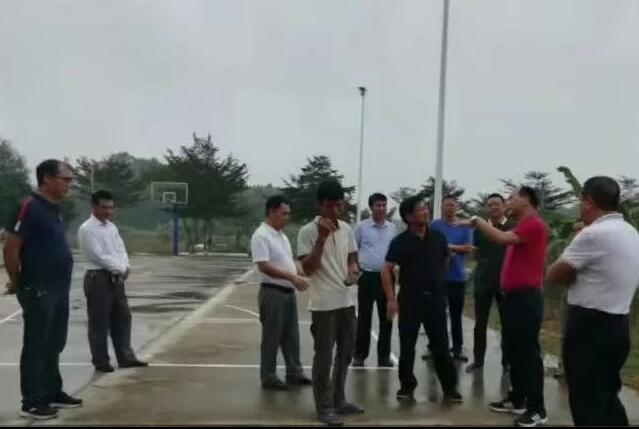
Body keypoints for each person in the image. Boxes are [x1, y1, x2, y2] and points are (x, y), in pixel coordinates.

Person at [547, 177, 639, 426]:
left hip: (589, 326)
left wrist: (577, 243)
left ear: (588, 201)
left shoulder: (593, 234)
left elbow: (553, 275)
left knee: (586, 401)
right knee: (607, 396)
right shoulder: (630, 232)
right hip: (619, 324)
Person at [3, 160, 83, 420]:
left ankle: (51, 391)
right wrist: (15, 279)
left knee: (54, 342)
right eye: (65, 179)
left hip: (58, 288)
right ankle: (32, 401)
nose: (69, 184)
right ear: (47, 178)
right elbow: (11, 245)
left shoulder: (53, 209)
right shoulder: (29, 206)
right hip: (38, 288)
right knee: (37, 344)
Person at [465, 186, 548, 427]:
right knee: (513, 350)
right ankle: (518, 398)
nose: (508, 202)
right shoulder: (522, 226)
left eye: (512, 198)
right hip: (513, 297)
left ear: (527, 199)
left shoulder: (533, 224)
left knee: (527, 353)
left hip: (526, 297)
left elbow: (500, 238)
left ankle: (537, 409)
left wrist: (477, 220)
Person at [383, 196, 461, 404]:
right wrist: (391, 299)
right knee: (407, 346)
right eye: (420, 209)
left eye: (426, 208)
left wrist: (434, 279)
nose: (426, 212)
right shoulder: (400, 242)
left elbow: (446, 260)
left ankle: (450, 388)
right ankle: (407, 387)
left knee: (441, 346)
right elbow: (387, 269)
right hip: (410, 300)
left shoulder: (438, 237)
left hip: (435, 300)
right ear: (409, 216)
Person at [297, 180, 362, 427]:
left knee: (345, 354)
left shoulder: (346, 228)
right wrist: (322, 239)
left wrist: (353, 270)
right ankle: (324, 407)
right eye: (330, 205)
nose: (335, 210)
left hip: (347, 300)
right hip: (324, 304)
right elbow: (308, 269)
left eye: (339, 205)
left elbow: (352, 257)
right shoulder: (307, 231)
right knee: (324, 357)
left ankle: (338, 399)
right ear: (319, 205)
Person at [77, 190, 148, 373]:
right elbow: (97, 256)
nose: (107, 211)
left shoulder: (111, 228)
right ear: (94, 207)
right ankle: (101, 361)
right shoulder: (87, 229)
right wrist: (120, 268)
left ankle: (125, 357)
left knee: (123, 317)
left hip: (116, 278)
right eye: (103, 207)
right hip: (98, 278)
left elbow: (120, 249)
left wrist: (125, 266)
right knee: (99, 321)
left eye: (110, 208)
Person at [250, 195, 312, 390]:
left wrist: (306, 273)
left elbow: (289, 263)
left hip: (287, 292)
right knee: (272, 337)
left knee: (291, 336)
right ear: (272, 212)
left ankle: (294, 372)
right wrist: (293, 277)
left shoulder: (282, 236)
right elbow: (264, 266)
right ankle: (268, 376)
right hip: (272, 293)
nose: (287, 217)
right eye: (284, 213)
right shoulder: (261, 235)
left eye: (288, 214)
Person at [466, 193, 516, 373]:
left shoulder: (513, 227)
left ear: (504, 207)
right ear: (486, 208)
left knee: (507, 323)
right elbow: (476, 253)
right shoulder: (480, 228)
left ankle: (507, 362)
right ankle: (478, 360)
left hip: (506, 281)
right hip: (484, 279)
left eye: (497, 204)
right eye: (490, 205)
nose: (493, 207)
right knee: (480, 322)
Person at [352, 193, 397, 368]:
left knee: (387, 317)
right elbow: (353, 250)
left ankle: (384, 356)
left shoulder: (392, 228)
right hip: (367, 276)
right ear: (371, 207)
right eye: (378, 205)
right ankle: (360, 355)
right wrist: (356, 269)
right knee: (364, 317)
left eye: (384, 205)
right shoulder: (362, 227)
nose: (382, 208)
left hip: (387, 277)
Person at [430, 195, 474, 362]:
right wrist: (450, 249)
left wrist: (447, 248)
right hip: (438, 276)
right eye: (447, 205)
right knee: (436, 314)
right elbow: (430, 245)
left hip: (457, 277)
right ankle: (435, 347)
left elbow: (468, 248)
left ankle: (457, 348)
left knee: (456, 315)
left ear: (457, 207)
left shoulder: (464, 226)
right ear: (442, 207)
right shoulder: (435, 225)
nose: (449, 208)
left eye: (452, 205)